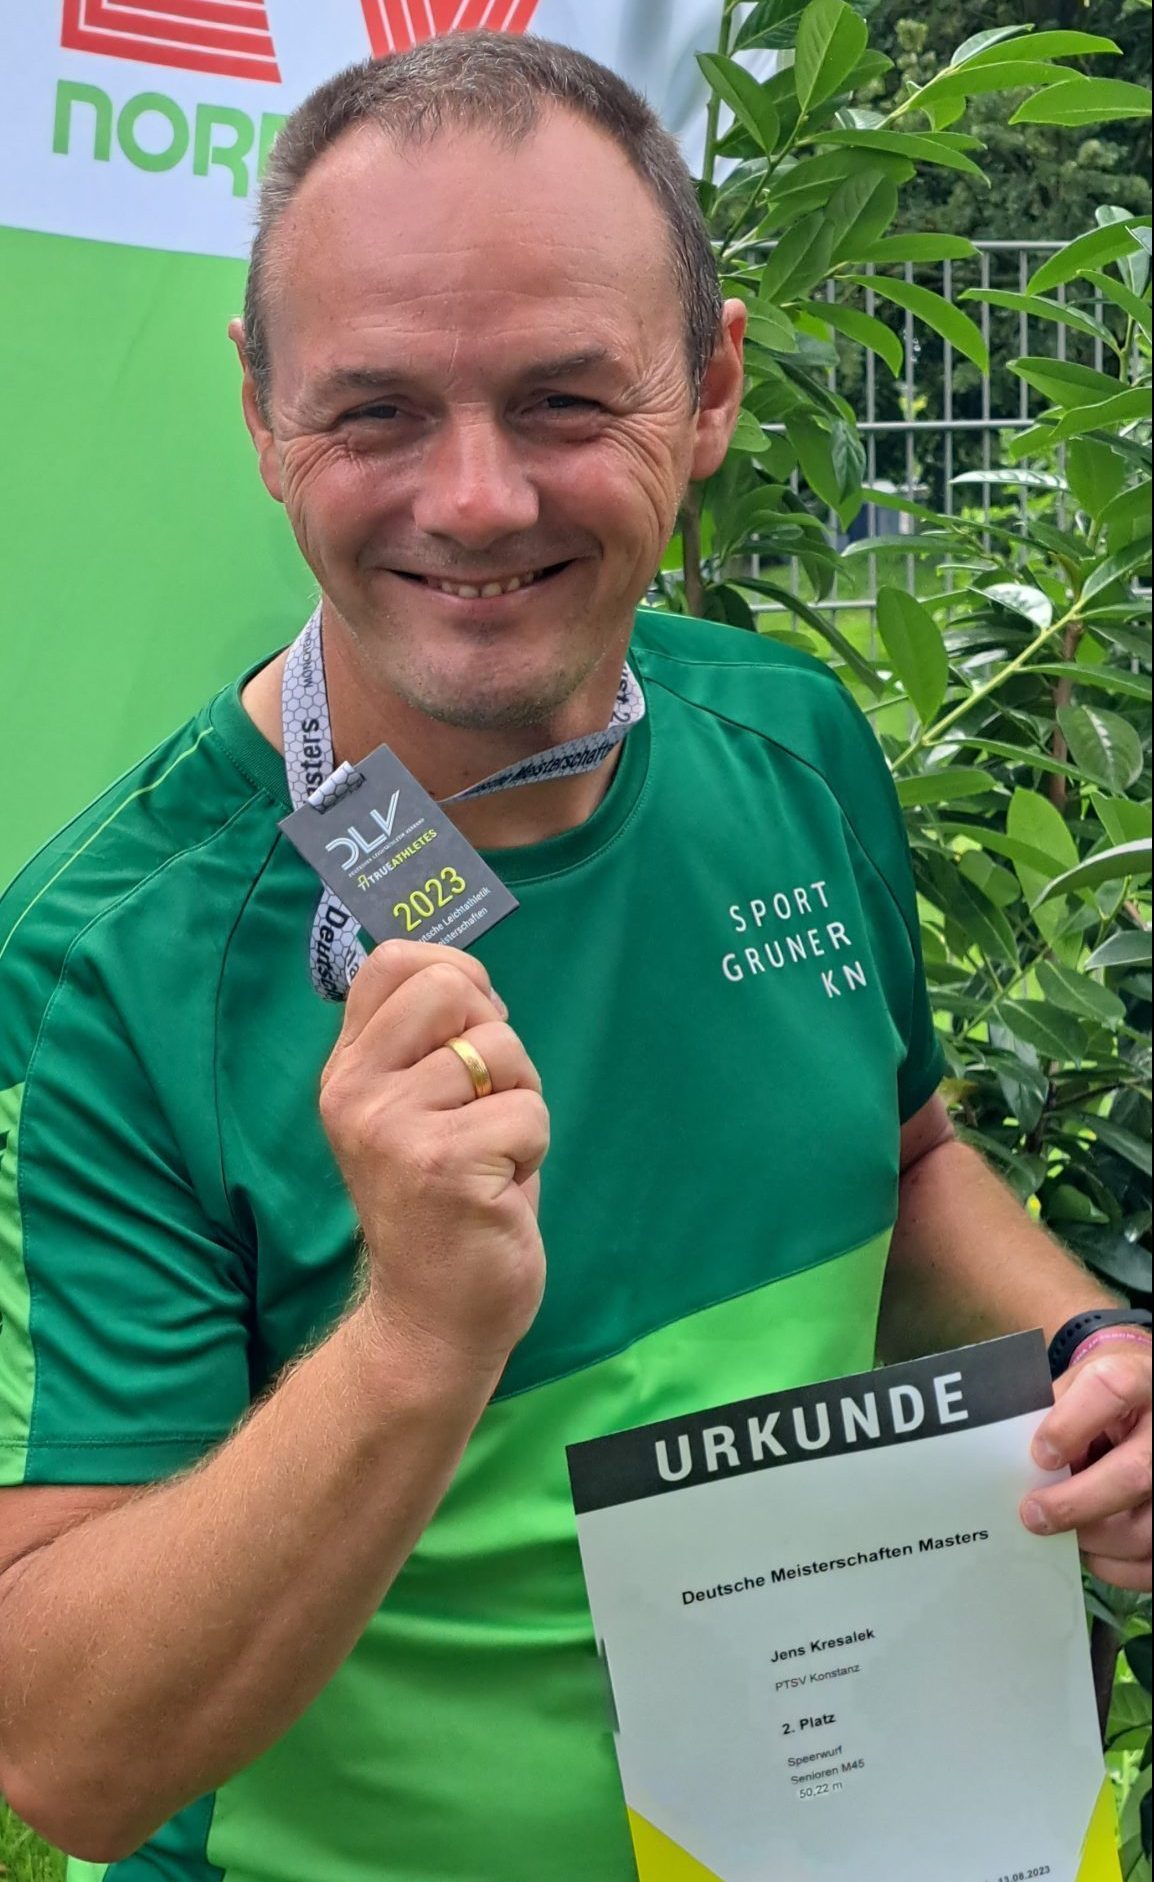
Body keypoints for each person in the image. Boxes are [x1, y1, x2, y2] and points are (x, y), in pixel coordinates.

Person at [0, 31, 1149, 1882]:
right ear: (263, 413)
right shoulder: (103, 967)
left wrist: (1091, 1347)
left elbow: (903, 1157)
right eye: (376, 411)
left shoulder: (789, 741)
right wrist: (415, 1339)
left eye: (560, 401)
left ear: (708, 390)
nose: (475, 500)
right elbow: (66, 1752)